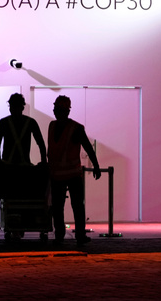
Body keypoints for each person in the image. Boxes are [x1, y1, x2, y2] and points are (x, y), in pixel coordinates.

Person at [47, 95, 101, 244]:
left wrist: (96, 165)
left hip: (69, 175)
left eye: (58, 109)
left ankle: (71, 235)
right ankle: (68, 234)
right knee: (63, 207)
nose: (56, 111)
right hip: (63, 175)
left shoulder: (75, 128)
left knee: (71, 206)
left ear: (65, 111)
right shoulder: (53, 126)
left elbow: (88, 147)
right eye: (56, 109)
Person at [0, 93, 47, 166]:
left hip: (7, 167)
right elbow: (41, 143)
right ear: (22, 107)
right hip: (24, 167)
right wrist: (44, 162)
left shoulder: (3, 122)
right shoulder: (31, 122)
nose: (13, 109)